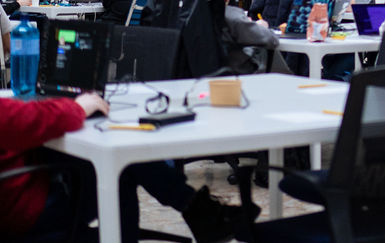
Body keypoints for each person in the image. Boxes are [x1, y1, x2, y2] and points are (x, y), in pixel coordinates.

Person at [0, 92, 252, 242]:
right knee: (120, 169)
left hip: (17, 190)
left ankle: (197, 209)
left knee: (117, 158)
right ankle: (199, 210)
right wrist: (78, 106)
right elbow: (35, 119)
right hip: (24, 212)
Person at [196, 0, 281, 74]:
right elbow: (272, 40)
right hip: (236, 72)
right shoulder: (232, 16)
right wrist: (261, 27)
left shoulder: (195, 14)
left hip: (201, 72)